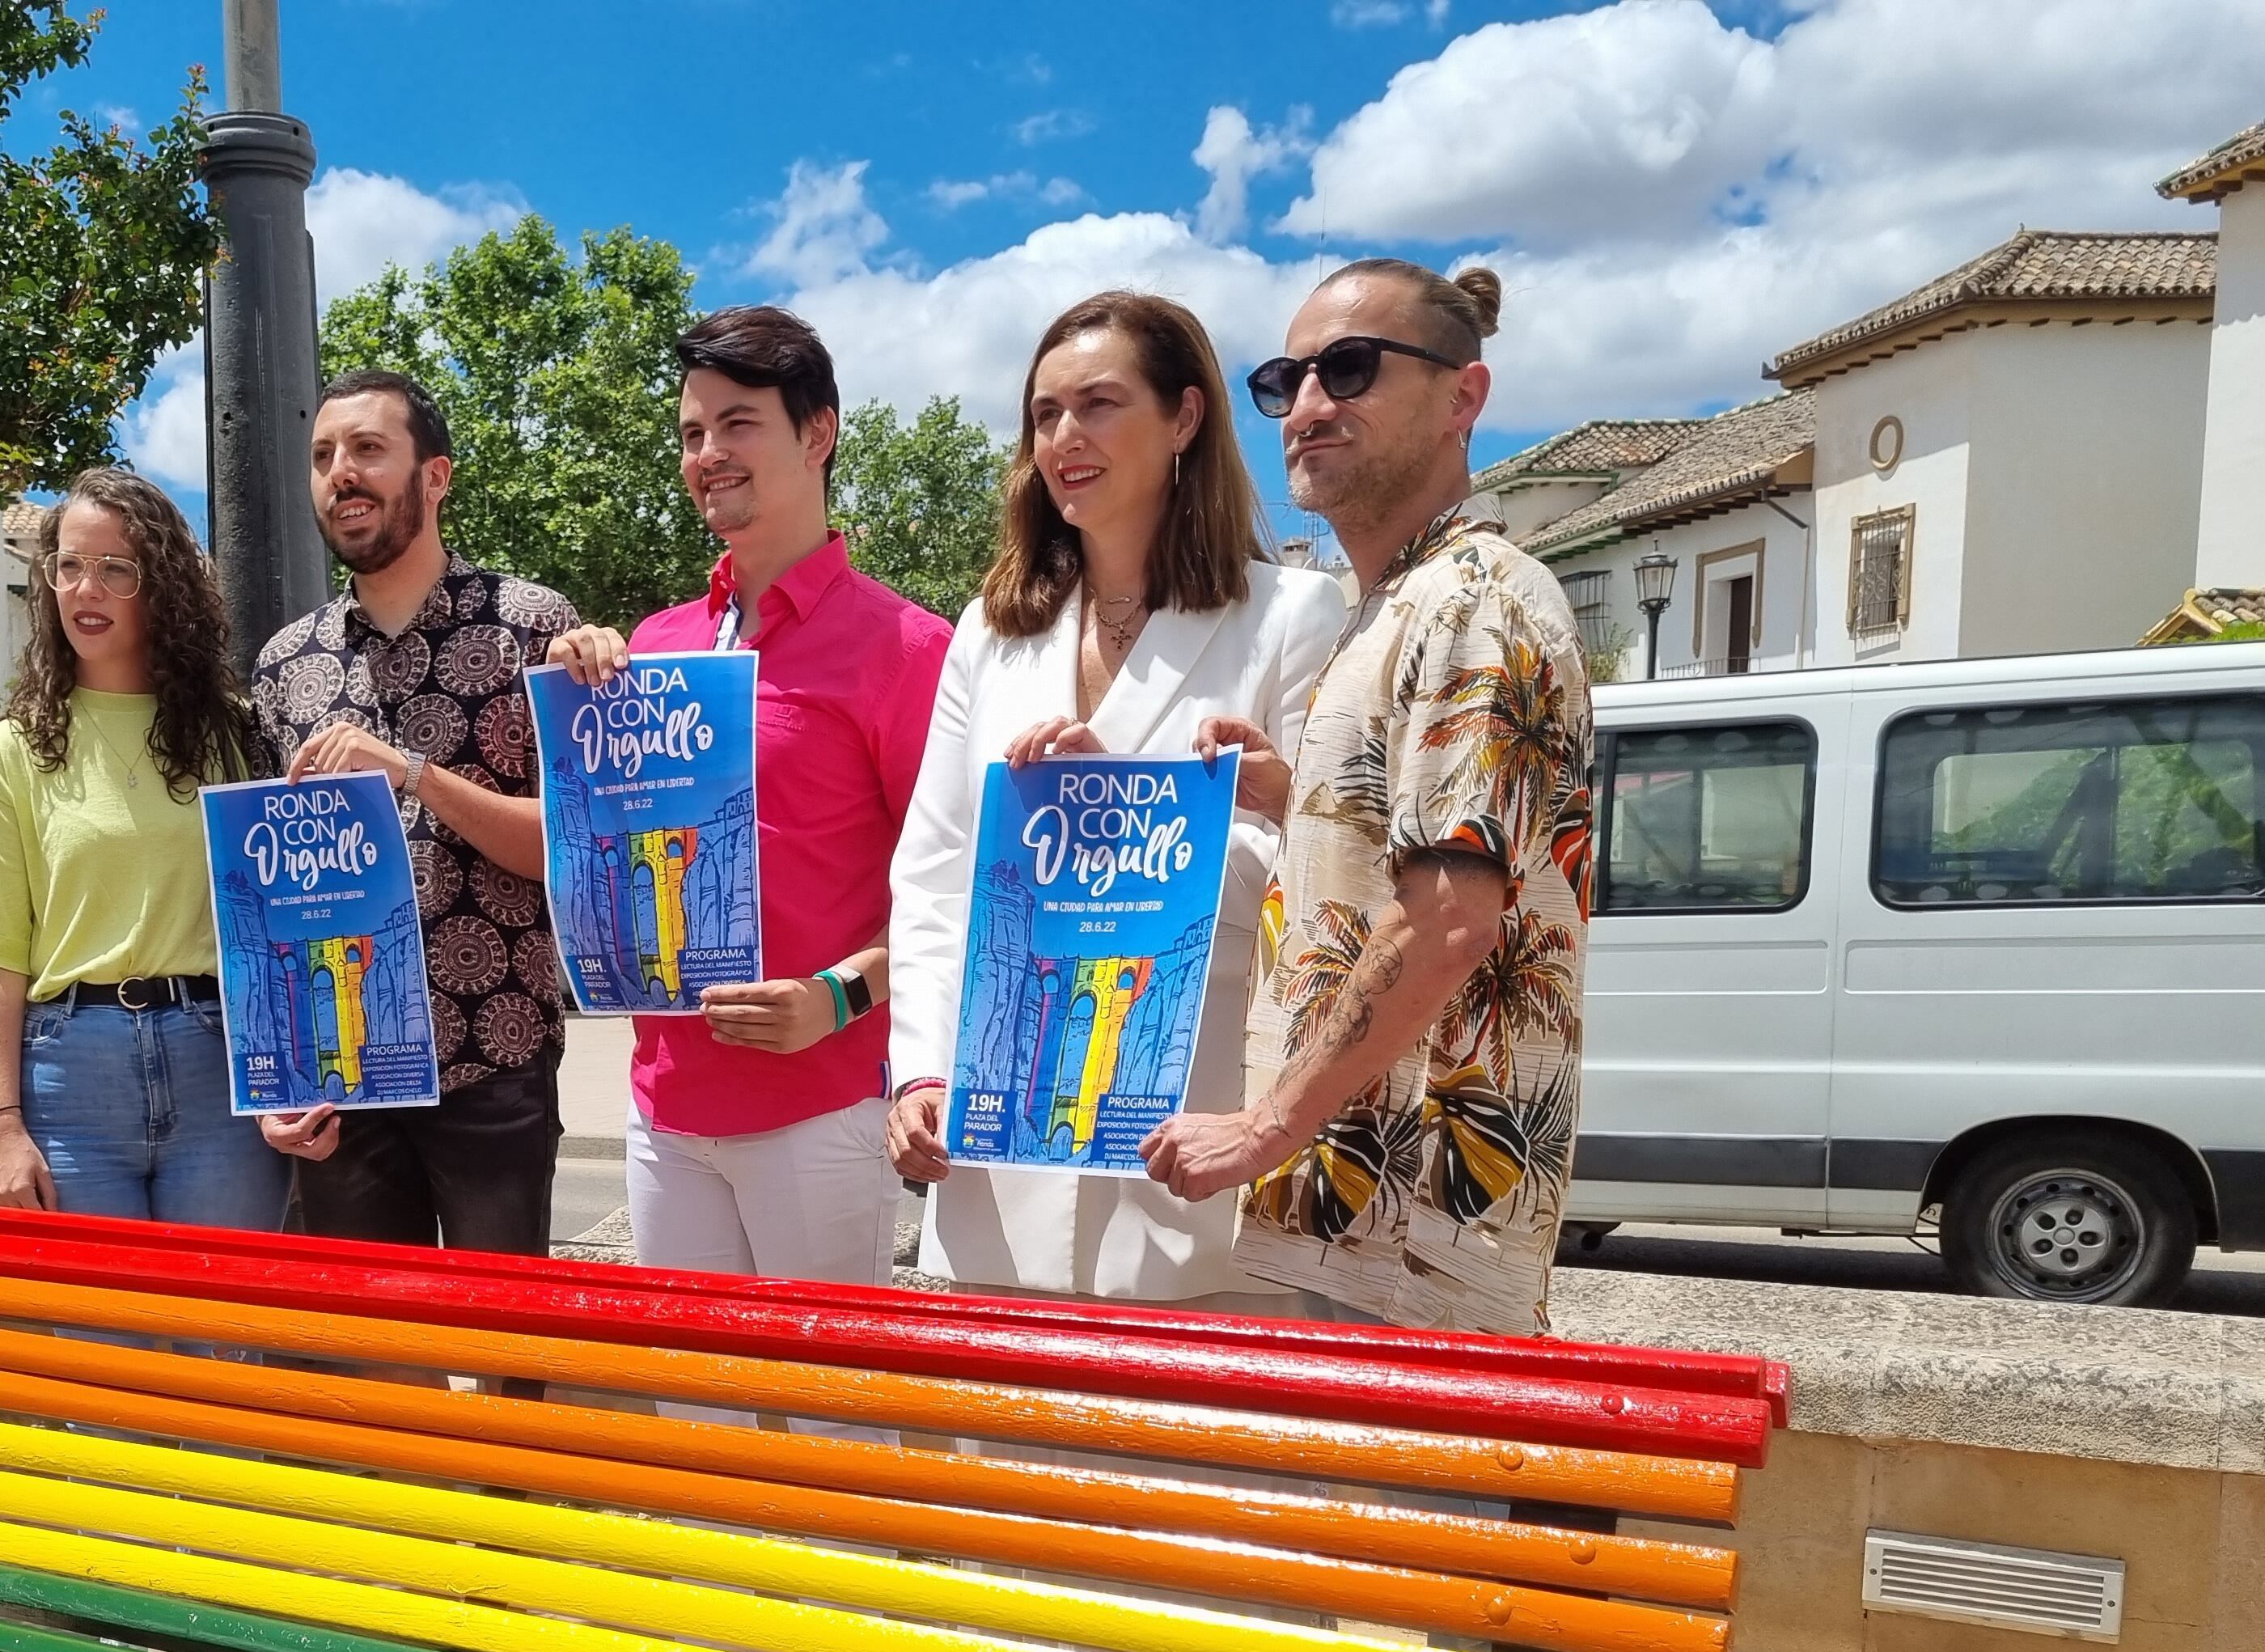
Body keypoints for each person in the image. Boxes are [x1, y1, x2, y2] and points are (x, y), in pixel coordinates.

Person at [1154, 261, 1594, 1337]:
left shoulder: (1475, 601)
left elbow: (1447, 917)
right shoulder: (1397, 606)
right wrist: (1298, 794)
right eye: (1286, 379)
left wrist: (1266, 1125)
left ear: (1464, 398)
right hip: (1366, 1217)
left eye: (1349, 369)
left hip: (1418, 1233)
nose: (1308, 406)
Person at [884, 291, 1340, 1303]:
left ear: (1185, 419)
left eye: (1098, 404)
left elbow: (1323, 878)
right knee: (989, 1455)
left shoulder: (1294, 617)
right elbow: (934, 872)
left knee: (1181, 1459)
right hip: (1000, 1145)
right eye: (1045, 415)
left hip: (1188, 1141)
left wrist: (1127, 820)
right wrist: (920, 1074)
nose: (1065, 438)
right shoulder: (990, 634)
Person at [546, 307, 951, 1286]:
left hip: (820, 1108)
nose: (708, 454)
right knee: (696, 1415)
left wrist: (839, 996)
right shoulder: (654, 644)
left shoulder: (909, 648)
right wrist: (574, 699)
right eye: (692, 433)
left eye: (738, 424)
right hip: (662, 1104)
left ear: (819, 433)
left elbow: (962, 893)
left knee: (826, 1417)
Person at [247, 370, 578, 1255]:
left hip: (493, 1063)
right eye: (323, 457)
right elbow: (266, 899)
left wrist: (412, 770)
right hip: (342, 1077)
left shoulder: (529, 631)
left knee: (508, 1351)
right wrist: (277, 1074)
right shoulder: (284, 668)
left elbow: (570, 850)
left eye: (367, 450)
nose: (340, 474)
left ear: (435, 477)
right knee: (380, 1359)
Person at [0, 466, 283, 1226]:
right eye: (68, 565)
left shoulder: (234, 735)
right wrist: (3, 1129)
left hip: (218, 1065)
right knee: (99, 1332)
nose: (84, 588)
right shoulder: (13, 751)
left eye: (114, 569)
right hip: (70, 1078)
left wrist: (292, 1081)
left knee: (222, 1334)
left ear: (161, 585)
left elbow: (276, 923)